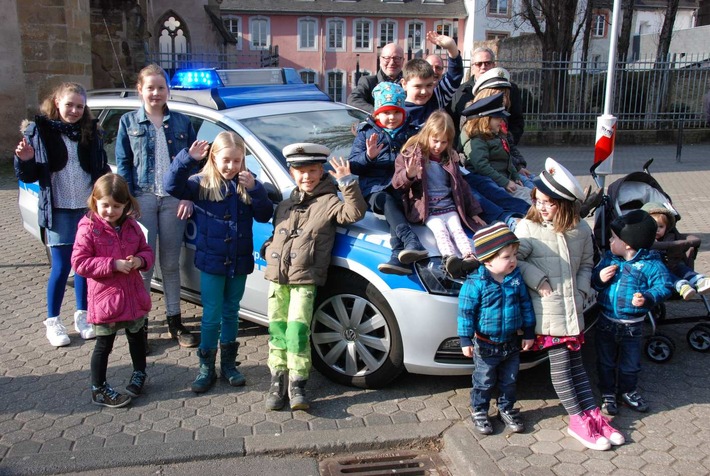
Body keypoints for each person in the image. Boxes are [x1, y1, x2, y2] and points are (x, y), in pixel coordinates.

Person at [515, 158, 624, 451]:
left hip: (572, 307)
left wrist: (582, 288)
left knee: (576, 367)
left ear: (564, 204)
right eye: (538, 201)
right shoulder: (528, 228)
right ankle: (577, 419)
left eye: (549, 202)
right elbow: (516, 261)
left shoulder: (580, 230)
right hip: (547, 310)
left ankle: (593, 415)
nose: (542, 207)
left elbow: (587, 263)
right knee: (562, 367)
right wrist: (539, 280)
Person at [164, 132, 274, 394]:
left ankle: (228, 365)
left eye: (237, 161)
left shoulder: (246, 185)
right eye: (226, 160)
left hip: (239, 261)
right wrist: (186, 159)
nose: (231, 167)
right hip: (211, 262)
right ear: (214, 158)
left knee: (231, 312)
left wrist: (256, 190)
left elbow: (264, 214)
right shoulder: (200, 184)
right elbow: (171, 186)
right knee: (211, 314)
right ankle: (205, 367)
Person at [262, 144, 367, 411]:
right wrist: (268, 247)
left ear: (321, 171)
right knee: (277, 330)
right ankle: (277, 381)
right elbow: (278, 234)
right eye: (300, 171)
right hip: (277, 279)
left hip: (305, 279)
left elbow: (354, 213)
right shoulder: (285, 204)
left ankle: (297, 384)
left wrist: (346, 182)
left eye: (312, 170)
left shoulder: (329, 201)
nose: (306, 176)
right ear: (291, 172)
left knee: (297, 332)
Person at [14, 82, 110, 347]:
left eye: (80, 106)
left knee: (84, 266)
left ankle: (83, 315)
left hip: (86, 208)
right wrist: (24, 159)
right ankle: (53, 321)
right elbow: (30, 174)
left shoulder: (90, 131)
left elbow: (99, 168)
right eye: (70, 105)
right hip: (58, 208)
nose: (75, 110)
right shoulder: (40, 131)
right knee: (61, 266)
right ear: (56, 102)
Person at [115, 64, 199, 352]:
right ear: (140, 89)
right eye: (150, 87)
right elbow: (124, 164)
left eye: (160, 87)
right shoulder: (128, 122)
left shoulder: (181, 122)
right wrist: (128, 203)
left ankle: (175, 320)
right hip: (143, 199)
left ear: (168, 90)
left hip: (174, 199)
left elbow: (192, 164)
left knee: (171, 264)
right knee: (144, 265)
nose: (155, 93)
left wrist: (188, 195)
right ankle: (141, 323)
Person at [71, 173, 154, 408]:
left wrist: (139, 261)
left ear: (126, 205)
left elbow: (147, 250)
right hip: (105, 299)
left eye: (116, 206)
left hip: (132, 296)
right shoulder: (89, 228)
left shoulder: (131, 226)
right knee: (103, 345)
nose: (110, 211)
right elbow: (79, 263)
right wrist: (112, 264)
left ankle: (140, 373)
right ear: (95, 201)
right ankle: (98, 388)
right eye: (105, 205)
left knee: (137, 337)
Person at [592, 209, 674, 416]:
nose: (610, 240)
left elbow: (664, 286)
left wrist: (647, 297)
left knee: (630, 364)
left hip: (632, 326)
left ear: (627, 244)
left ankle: (628, 391)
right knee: (605, 361)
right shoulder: (610, 260)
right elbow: (595, 283)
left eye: (614, 237)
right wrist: (599, 278)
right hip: (606, 321)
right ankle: (608, 393)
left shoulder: (651, 265)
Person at [458, 223, 535, 435]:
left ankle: (506, 408)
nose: (513, 260)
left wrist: (528, 332)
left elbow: (526, 305)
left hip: (511, 342)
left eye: (515, 255)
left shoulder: (515, 279)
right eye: (506, 256)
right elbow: (466, 313)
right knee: (483, 381)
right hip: (485, 344)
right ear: (488, 259)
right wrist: (465, 339)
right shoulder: (476, 283)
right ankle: (479, 410)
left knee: (509, 380)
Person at [392, 111, 485, 278]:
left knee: (457, 230)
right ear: (427, 134)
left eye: (444, 142)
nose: (438, 146)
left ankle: (469, 257)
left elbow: (461, 185)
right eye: (435, 141)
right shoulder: (411, 155)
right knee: (440, 231)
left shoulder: (448, 157)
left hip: (449, 206)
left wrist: (473, 211)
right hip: (428, 209)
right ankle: (449, 258)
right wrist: (409, 175)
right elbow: (397, 184)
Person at [349, 82, 425, 276]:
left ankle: (398, 255)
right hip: (374, 189)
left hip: (402, 185)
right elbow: (354, 165)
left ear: (403, 113)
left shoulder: (411, 132)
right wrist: (369, 157)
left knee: (397, 203)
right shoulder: (366, 132)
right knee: (387, 200)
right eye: (386, 112)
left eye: (396, 112)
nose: (391, 117)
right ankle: (410, 240)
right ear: (377, 114)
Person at [460, 93, 533, 205]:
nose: (501, 121)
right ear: (485, 120)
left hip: (504, 180)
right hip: (492, 183)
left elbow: (507, 159)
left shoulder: (496, 135)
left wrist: (515, 175)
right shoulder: (477, 140)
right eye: (497, 118)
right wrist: (505, 182)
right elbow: (482, 166)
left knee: (531, 195)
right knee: (527, 201)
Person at [449, 47, 525, 145]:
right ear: (472, 67)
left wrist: (508, 142)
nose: (483, 67)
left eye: (487, 63)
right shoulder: (460, 92)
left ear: (494, 65)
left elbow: (517, 121)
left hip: (502, 148)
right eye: (478, 64)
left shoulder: (510, 89)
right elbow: (453, 123)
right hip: (470, 149)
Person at [641, 201, 710, 300]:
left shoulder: (670, 236)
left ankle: (699, 280)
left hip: (673, 263)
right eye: (654, 227)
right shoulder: (642, 240)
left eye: (661, 226)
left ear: (667, 227)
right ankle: (682, 285)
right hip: (657, 270)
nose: (657, 230)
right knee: (665, 274)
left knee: (682, 268)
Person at [402, 32, 464, 128]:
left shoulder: (437, 96)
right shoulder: (396, 106)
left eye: (429, 85)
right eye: (418, 86)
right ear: (404, 84)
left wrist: (452, 47)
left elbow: (455, 75)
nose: (424, 91)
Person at [347, 43, 405, 113]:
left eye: (397, 58)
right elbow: (353, 100)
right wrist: (378, 113)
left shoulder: (410, 84)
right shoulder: (368, 82)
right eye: (387, 58)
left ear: (403, 61)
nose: (392, 62)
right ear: (380, 60)